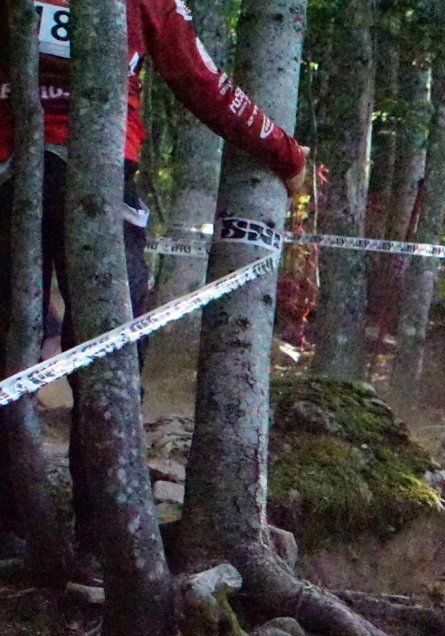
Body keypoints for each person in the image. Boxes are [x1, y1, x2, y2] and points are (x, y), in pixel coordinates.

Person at [0, 0, 308, 552]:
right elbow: (203, 81)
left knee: (29, 350)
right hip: (97, 174)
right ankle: (102, 541)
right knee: (109, 358)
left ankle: (39, 530)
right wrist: (286, 154)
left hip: (23, 168)